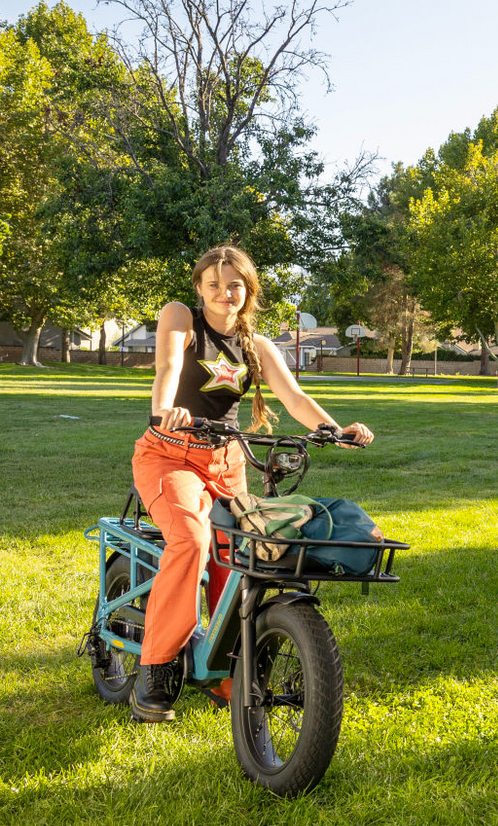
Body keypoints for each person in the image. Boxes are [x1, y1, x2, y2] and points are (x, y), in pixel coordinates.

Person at [129, 244, 375, 723]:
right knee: (192, 541)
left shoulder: (257, 346)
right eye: (215, 285)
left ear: (249, 290)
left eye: (235, 285)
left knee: (242, 557)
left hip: (227, 462)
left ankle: (226, 670)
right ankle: (154, 670)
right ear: (199, 288)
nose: (225, 293)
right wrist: (164, 411)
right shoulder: (181, 318)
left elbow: (296, 397)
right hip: (169, 455)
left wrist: (335, 429)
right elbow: (167, 369)